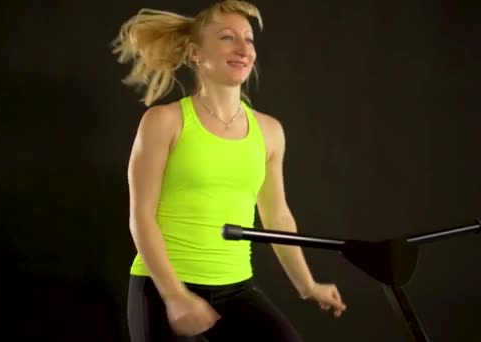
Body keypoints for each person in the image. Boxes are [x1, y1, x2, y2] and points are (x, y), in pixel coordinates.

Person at [112, 1, 347, 341]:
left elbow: (277, 216)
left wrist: (307, 285)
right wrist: (175, 295)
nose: (242, 49)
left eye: (249, 39)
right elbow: (141, 216)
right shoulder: (164, 122)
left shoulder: (269, 132)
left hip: (235, 289)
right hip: (161, 285)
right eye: (227, 38)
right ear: (195, 53)